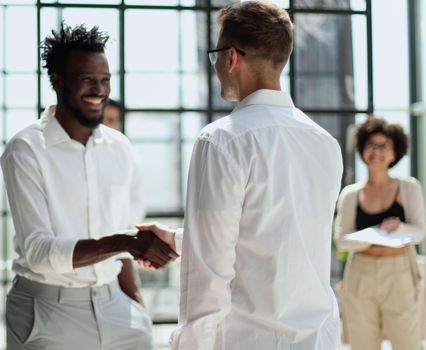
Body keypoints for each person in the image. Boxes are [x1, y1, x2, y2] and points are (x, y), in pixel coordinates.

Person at [138, 2, 343, 349]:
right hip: (318, 339)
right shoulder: (323, 142)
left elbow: (210, 273)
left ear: (231, 58)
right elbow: (276, 238)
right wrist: (176, 239)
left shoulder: (222, 139)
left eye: (216, 55)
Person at [0, 24, 177, 350]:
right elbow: (39, 253)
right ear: (58, 80)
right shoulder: (25, 149)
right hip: (48, 312)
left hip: (116, 307)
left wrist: (137, 308)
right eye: (87, 79)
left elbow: (125, 247)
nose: (99, 90)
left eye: (105, 80)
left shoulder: (120, 149)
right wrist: (125, 241)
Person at [334, 117, 425, 350]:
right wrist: (376, 232)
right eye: (371, 145)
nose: (377, 151)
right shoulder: (351, 194)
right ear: (363, 149)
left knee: (408, 344)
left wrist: (399, 229)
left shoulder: (408, 187)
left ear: (395, 153)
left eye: (384, 146)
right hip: (360, 275)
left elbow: (420, 232)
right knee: (362, 344)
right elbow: (341, 241)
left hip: (399, 273)